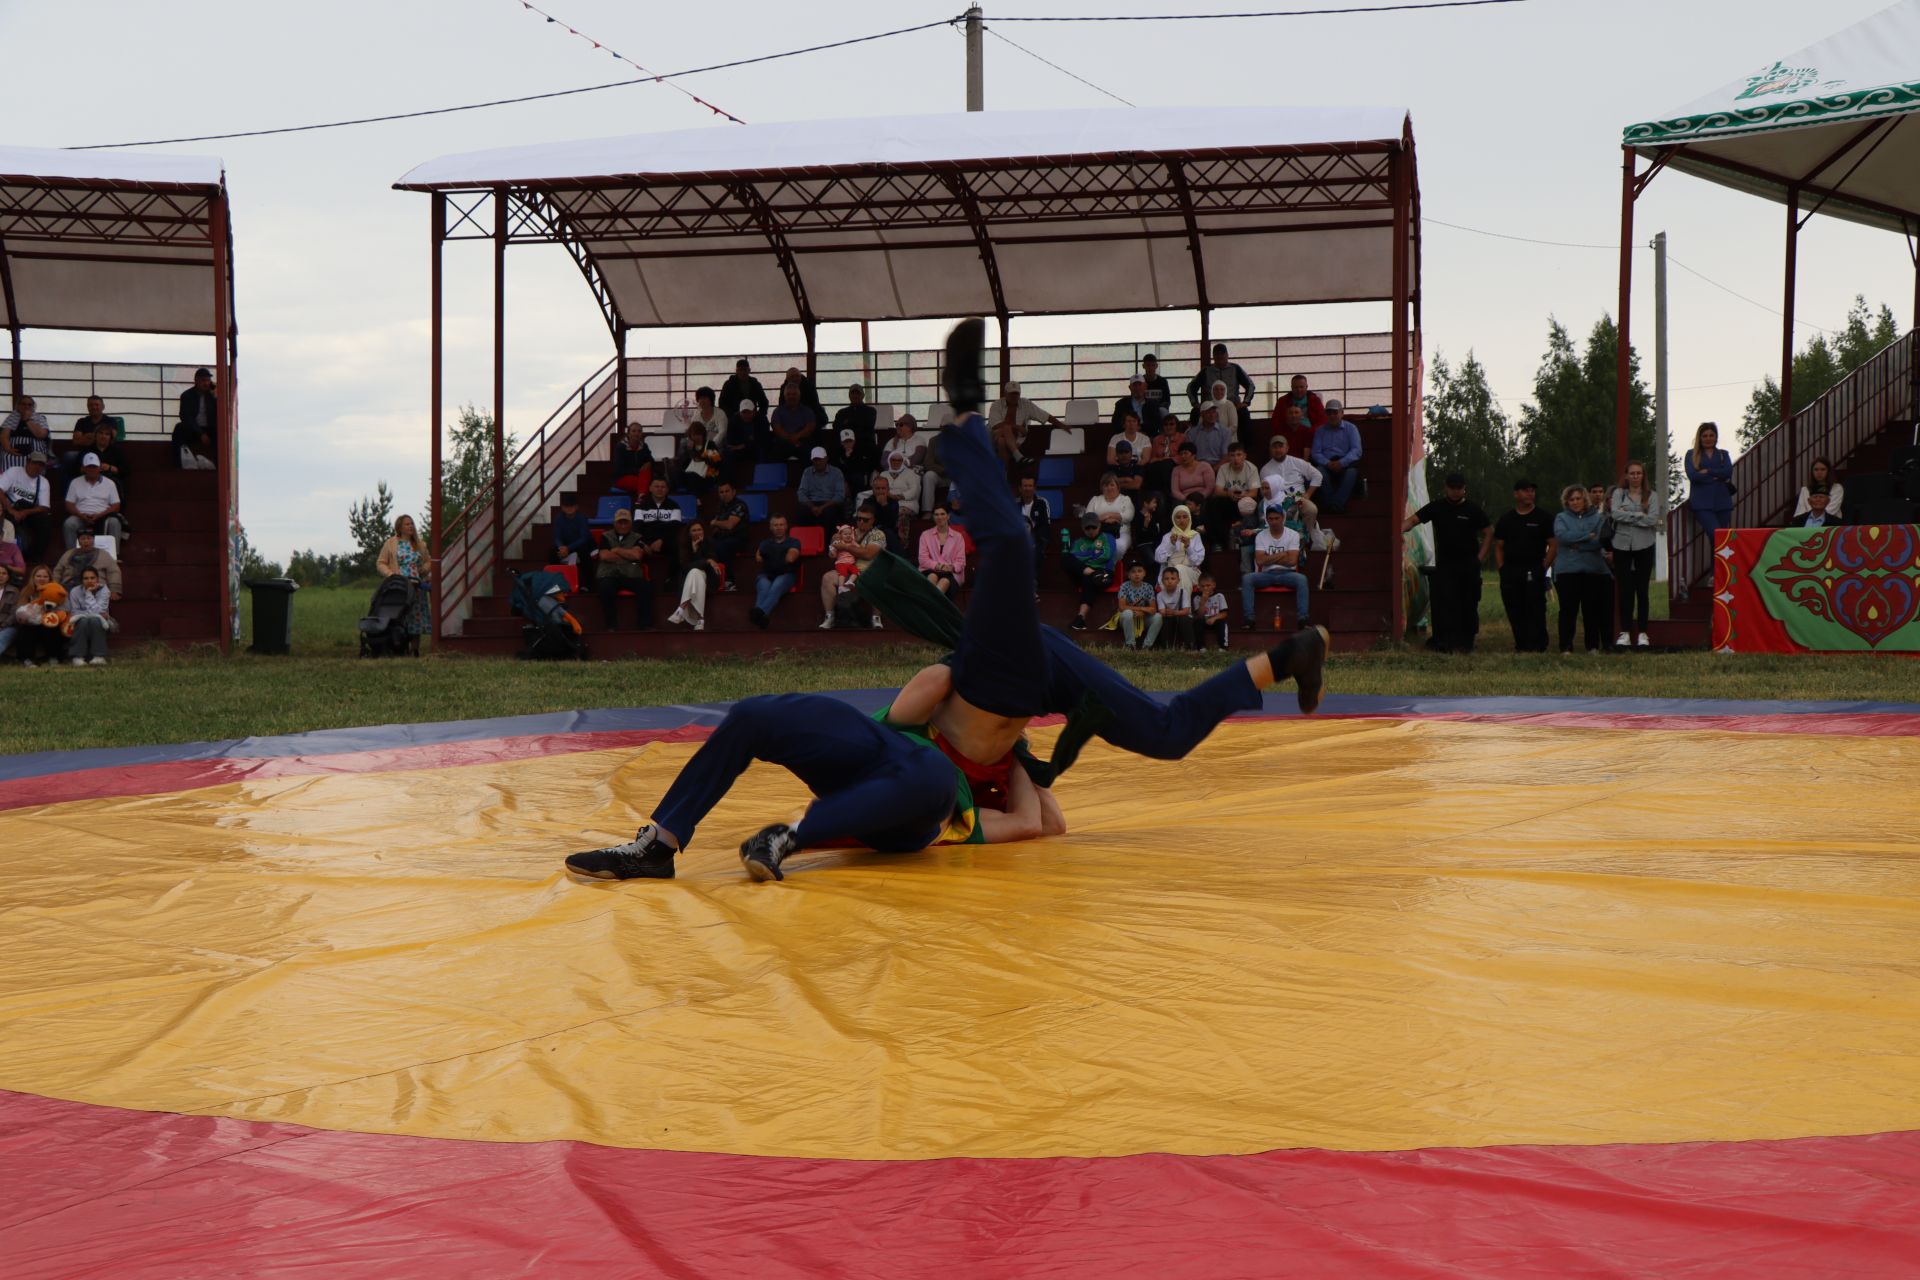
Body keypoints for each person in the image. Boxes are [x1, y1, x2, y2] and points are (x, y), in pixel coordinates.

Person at [1403, 472, 1491, 654]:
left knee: (1468, 603)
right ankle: (1444, 641)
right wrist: (1397, 530)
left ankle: (1467, 642)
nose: (1455, 492)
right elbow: (1413, 520)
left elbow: (1489, 531)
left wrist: (1479, 558)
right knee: (1445, 603)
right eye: (1452, 488)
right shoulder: (1437, 507)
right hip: (1446, 566)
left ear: (1464, 489)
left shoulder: (1473, 510)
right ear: (1446, 488)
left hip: (1468, 566)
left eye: (1459, 488)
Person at [1493, 479, 1554, 653]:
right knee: (1514, 607)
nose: (1530, 494)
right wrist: (1502, 569)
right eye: (1526, 491)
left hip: (1534, 568)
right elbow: (1498, 546)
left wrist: (1544, 567)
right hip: (1511, 570)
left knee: (1535, 607)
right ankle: (1521, 644)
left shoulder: (1544, 517)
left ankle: (1538, 644)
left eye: (1532, 491)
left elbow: (1554, 544)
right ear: (1516, 494)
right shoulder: (1506, 519)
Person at [1609, 460, 1663, 649]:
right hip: (1622, 545)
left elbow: (1652, 519)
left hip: (1644, 545)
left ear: (1643, 475)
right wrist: (1639, 515)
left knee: (1642, 590)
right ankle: (1624, 632)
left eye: (1638, 473)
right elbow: (1615, 514)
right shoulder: (1618, 493)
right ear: (1626, 475)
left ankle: (1642, 632)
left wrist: (1631, 516)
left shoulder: (1652, 496)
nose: (1635, 476)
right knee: (1625, 590)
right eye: (1632, 473)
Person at [1552, 485, 1612, 654]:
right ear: (1567, 502)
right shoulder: (1561, 517)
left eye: (1578, 498)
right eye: (1572, 499)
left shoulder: (1598, 518)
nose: (1575, 502)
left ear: (1584, 499)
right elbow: (1562, 536)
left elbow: (1599, 540)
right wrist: (1587, 536)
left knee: (1591, 609)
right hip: (1567, 571)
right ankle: (1565, 646)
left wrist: (1577, 545)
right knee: (1568, 610)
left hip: (1592, 570)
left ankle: (1592, 646)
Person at [820, 505, 889, 629]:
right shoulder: (847, 532)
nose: (861, 522)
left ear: (873, 520)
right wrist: (833, 543)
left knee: (880, 579)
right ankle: (829, 616)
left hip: (869, 572)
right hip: (847, 570)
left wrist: (845, 547)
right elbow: (833, 553)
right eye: (859, 518)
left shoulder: (878, 535)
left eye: (865, 520)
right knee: (827, 578)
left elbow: (868, 554)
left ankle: (876, 617)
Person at [1241, 505, 1310, 630]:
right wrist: (1283, 554)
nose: (1273, 522)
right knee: (1247, 579)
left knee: (1302, 580)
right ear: (1267, 519)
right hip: (1267, 574)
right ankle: (1249, 619)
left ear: (1282, 518)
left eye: (1276, 518)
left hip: (1288, 573)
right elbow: (1260, 561)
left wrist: (1270, 558)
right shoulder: (1261, 536)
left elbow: (1292, 560)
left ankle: (1303, 619)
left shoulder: (1293, 535)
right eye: (1270, 519)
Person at [375, 514, 433, 645]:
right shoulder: (390, 543)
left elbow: (429, 561)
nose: (411, 526)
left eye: (412, 523)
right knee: (401, 613)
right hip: (399, 586)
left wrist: (425, 568)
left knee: (416, 615)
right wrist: (390, 574)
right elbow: (380, 563)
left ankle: (415, 650)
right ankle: (399, 645)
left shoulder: (420, 544)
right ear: (400, 527)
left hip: (417, 586)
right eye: (407, 524)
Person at [1260, 432, 1324, 549]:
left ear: (1287, 447)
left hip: (1298, 498)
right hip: (1277, 502)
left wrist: (1308, 494)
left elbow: (1317, 475)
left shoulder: (1297, 462)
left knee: (1311, 509)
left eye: (1280, 446)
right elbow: (1264, 491)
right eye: (1274, 447)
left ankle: (1305, 536)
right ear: (1270, 449)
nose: (1278, 450)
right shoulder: (1265, 469)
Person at [593, 509, 653, 630]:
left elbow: (637, 556)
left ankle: (644, 625)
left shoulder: (637, 537)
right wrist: (627, 555)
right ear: (615, 523)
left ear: (631, 524)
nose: (623, 525)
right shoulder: (606, 536)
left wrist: (616, 550)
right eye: (620, 523)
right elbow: (604, 556)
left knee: (646, 587)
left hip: (631, 574)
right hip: (609, 574)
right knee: (605, 587)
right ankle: (612, 626)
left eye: (626, 523)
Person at [1064, 511, 1117, 631]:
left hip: (1104, 573)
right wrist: (1091, 558)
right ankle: (1080, 621)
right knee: (1065, 558)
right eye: (1087, 528)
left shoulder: (1107, 537)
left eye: (1094, 527)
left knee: (1089, 579)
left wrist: (1086, 559)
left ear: (1099, 526)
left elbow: (1106, 555)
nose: (1091, 530)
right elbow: (1073, 556)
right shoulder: (1079, 542)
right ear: (1083, 528)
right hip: (1085, 573)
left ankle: (1080, 618)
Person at [748, 514, 802, 629]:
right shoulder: (765, 543)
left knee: (776, 586)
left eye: (781, 524)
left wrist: (787, 555)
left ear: (786, 526)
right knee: (763, 587)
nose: (778, 527)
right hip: (767, 574)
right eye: (775, 525)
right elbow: (758, 557)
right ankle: (762, 618)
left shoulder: (794, 541)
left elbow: (792, 557)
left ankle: (758, 614)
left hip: (786, 574)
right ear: (770, 527)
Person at [1684, 422, 1734, 543]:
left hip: (1722, 502)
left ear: (1716, 437)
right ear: (1700, 438)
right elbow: (1693, 476)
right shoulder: (1691, 454)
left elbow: (1728, 472)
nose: (1708, 438)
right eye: (1705, 436)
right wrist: (1717, 475)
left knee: (1722, 541)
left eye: (1711, 435)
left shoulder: (1723, 454)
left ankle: (1717, 562)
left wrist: (1707, 471)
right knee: (1715, 534)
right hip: (1702, 504)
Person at [669, 522, 724, 632]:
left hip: (709, 579)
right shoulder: (684, 546)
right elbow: (686, 567)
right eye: (694, 530)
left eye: (699, 529)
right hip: (691, 581)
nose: (697, 532)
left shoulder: (710, 543)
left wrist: (703, 558)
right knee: (694, 572)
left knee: (696, 571)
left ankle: (681, 609)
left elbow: (709, 567)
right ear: (689, 533)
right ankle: (700, 619)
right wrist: (695, 551)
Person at [1309, 402, 1363, 514]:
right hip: (1326, 464)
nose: (1332, 415)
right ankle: (1334, 504)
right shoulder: (1320, 430)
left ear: (1342, 413)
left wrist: (1342, 462)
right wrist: (1328, 463)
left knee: (1352, 473)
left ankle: (1335, 505)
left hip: (1346, 464)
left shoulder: (1351, 428)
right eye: (1329, 413)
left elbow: (1356, 450)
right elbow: (1315, 452)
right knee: (1318, 472)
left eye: (1335, 412)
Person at [988, 382, 1061, 463]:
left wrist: (1062, 425)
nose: (1014, 396)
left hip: (1014, 440)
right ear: (1005, 393)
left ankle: (1004, 472)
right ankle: (1019, 457)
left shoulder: (1025, 404)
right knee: (1006, 428)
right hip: (994, 436)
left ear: (1020, 394)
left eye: (1016, 393)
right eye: (1011, 394)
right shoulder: (996, 404)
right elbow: (995, 425)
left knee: (1002, 442)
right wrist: (1018, 427)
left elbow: (1044, 415)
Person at [63, 453, 125, 548]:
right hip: (81, 516)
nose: (92, 469)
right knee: (69, 523)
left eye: (94, 467)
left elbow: (116, 505)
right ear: (83, 468)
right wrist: (81, 515)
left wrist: (99, 515)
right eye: (89, 467)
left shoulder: (110, 483)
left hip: (103, 516)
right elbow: (69, 504)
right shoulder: (75, 482)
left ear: (100, 468)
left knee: (115, 522)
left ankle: (114, 556)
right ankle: (71, 554)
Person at [1, 452, 55, 559]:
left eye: (40, 464)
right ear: (27, 462)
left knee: (45, 520)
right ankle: (7, 555)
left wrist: (24, 512)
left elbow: (44, 507)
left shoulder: (43, 482)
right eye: (34, 463)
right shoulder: (14, 471)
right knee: (7, 521)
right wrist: (10, 509)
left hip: (29, 511)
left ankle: (36, 556)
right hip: (10, 508)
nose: (37, 467)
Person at [1210, 442, 1261, 553]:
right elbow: (1218, 491)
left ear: (1244, 456)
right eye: (1232, 455)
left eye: (1239, 455)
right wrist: (1229, 494)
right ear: (1228, 457)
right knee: (1214, 503)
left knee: (1253, 502)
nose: (1235, 458)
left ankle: (1249, 540)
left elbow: (1254, 492)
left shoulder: (1251, 468)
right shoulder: (1223, 468)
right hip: (1229, 499)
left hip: (1245, 499)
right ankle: (1218, 542)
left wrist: (1243, 495)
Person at [9, 565, 65, 667]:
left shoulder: (56, 590)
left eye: (45, 576)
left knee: (53, 628)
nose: (42, 579)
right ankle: (26, 659)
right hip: (31, 624)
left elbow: (64, 609)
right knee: (24, 629)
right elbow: (19, 610)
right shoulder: (26, 591)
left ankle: (53, 657)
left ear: (50, 578)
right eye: (38, 576)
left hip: (48, 622)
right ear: (33, 578)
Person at [833, 384, 881, 491]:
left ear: (862, 395)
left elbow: (867, 427)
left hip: (862, 444)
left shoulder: (870, 411)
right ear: (849, 396)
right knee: (833, 450)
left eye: (857, 393)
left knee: (873, 451)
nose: (855, 395)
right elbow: (836, 428)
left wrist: (848, 425)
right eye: (852, 393)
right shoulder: (841, 412)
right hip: (844, 444)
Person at [65, 565, 113, 666]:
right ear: (81, 580)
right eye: (86, 578)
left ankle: (99, 656)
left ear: (97, 579)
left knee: (95, 620)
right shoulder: (75, 591)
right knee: (83, 621)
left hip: (101, 622)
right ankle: (78, 657)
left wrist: (88, 593)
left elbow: (99, 611)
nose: (89, 581)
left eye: (92, 578)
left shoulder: (104, 590)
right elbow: (75, 612)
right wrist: (89, 614)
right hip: (81, 621)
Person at [1155, 503, 1206, 596]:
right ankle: (1185, 608)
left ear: (1189, 518)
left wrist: (1188, 547)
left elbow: (1198, 561)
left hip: (1192, 572)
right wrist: (1171, 545)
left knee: (1180, 569)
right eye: (1178, 517)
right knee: (1176, 572)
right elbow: (1159, 558)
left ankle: (1182, 607)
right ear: (1173, 520)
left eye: (1185, 517)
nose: (1182, 520)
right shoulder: (1168, 537)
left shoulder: (1195, 536)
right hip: (1169, 574)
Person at [1186, 343, 1254, 412]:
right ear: (1213, 356)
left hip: (1233, 406)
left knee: (1244, 411)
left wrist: (1245, 402)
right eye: (1217, 354)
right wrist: (1195, 403)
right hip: (1211, 407)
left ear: (1227, 355)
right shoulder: (1206, 370)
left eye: (1222, 354)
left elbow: (1250, 385)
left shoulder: (1235, 368)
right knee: (1195, 412)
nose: (1220, 356)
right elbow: (1190, 387)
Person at [918, 504, 967, 597]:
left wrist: (951, 567)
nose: (939, 517)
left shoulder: (958, 537)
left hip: (951, 573)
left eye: (942, 514)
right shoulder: (925, 535)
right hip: (930, 570)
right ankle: (933, 607)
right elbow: (923, 559)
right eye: (936, 514)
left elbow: (961, 562)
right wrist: (938, 566)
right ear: (933, 517)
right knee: (932, 576)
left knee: (944, 581)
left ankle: (929, 606)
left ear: (948, 516)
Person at [1168, 443, 1215, 541]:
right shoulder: (1176, 470)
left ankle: (1211, 537)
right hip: (1185, 498)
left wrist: (1198, 499)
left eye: (1186, 453)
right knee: (1177, 505)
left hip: (1202, 496)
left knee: (1210, 504)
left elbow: (1210, 487)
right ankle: (1181, 535)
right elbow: (1175, 490)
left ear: (1194, 455)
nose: (1183, 456)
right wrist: (1187, 500)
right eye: (1181, 454)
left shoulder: (1204, 466)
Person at [1084, 472, 1135, 559]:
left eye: (1112, 485)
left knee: (1118, 547)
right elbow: (1088, 519)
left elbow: (1128, 516)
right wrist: (1103, 519)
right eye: (1106, 485)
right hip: (1099, 534)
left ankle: (1111, 569)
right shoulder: (1095, 500)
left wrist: (1108, 515)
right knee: (1095, 547)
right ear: (1102, 488)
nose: (1109, 488)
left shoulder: (1125, 499)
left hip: (1121, 533)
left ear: (1118, 487)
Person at [766, 380, 820, 461]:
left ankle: (808, 474)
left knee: (812, 455)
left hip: (802, 441)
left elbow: (810, 427)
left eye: (794, 394)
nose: (791, 397)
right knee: (773, 456)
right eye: (788, 394)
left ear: (799, 395)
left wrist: (797, 437)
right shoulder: (778, 411)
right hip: (783, 442)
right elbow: (777, 429)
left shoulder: (807, 411)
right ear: (785, 396)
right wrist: (790, 439)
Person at [795, 446, 848, 530]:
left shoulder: (836, 472)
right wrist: (812, 507)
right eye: (815, 460)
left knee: (830, 513)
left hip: (829, 503)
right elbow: (801, 493)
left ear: (826, 458)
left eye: (820, 459)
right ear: (812, 460)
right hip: (812, 503)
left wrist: (822, 507)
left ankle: (828, 541)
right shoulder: (807, 472)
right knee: (802, 512)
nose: (818, 462)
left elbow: (840, 495)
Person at [174, 369, 218, 469]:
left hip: (210, 429)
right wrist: (200, 433)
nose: (206, 383)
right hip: (194, 429)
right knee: (179, 429)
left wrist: (217, 396)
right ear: (196, 381)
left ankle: (218, 465)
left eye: (208, 380)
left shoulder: (213, 396)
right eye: (203, 380)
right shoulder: (187, 396)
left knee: (220, 432)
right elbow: (185, 416)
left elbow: (220, 414)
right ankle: (180, 464)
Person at [706, 479, 750, 576]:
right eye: (721, 492)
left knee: (720, 546)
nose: (724, 494)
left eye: (727, 491)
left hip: (738, 539)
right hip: (723, 538)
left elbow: (729, 525)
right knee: (705, 544)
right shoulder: (721, 506)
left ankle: (729, 579)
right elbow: (715, 526)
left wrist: (715, 522)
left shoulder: (740, 505)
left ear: (733, 492)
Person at [1113, 561, 1157, 650]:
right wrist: (1142, 608)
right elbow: (1122, 607)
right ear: (1128, 575)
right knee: (1128, 613)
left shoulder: (1148, 587)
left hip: (1142, 617)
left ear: (1144, 573)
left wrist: (1143, 613)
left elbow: (1153, 609)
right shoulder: (1124, 586)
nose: (1137, 574)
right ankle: (1130, 645)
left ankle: (1147, 646)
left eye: (1140, 571)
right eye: (1133, 571)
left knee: (1158, 617)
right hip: (1127, 618)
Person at [719, 360, 768, 436]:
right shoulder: (729, 384)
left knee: (763, 422)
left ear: (749, 370)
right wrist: (733, 414)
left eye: (744, 370)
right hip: (735, 418)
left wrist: (759, 414)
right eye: (740, 370)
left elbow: (764, 402)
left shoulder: (755, 383)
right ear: (736, 371)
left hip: (753, 417)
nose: (742, 372)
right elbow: (722, 403)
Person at [550, 492, 593, 578]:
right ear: (562, 507)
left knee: (585, 554)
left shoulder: (582, 518)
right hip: (566, 546)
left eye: (571, 506)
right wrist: (561, 547)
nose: (569, 508)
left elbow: (584, 538)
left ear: (576, 507)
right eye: (566, 506)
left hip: (580, 545)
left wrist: (568, 548)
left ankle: (587, 585)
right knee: (552, 553)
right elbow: (557, 537)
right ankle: (555, 580)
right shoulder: (558, 518)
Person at [672, 421, 722, 494]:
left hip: (707, 476)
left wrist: (699, 455)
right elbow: (682, 464)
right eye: (694, 435)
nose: (696, 437)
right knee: (677, 474)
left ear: (703, 434)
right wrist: (688, 450)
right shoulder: (687, 446)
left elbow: (716, 463)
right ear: (690, 436)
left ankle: (697, 500)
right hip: (689, 475)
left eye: (699, 434)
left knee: (692, 477)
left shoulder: (710, 445)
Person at [1153, 566, 1195, 651]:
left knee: (1185, 619)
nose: (1169, 581)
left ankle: (1190, 646)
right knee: (1163, 621)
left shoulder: (1183, 592)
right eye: (1166, 579)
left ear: (1178, 581)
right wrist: (1171, 613)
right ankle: (1165, 646)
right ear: (1162, 581)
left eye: (1173, 578)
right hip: (1168, 617)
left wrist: (1173, 612)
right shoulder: (1160, 595)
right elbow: (1162, 612)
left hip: (1180, 616)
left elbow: (1186, 611)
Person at [3, 393, 50, 468]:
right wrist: (8, 449)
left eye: (29, 405)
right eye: (23, 404)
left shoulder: (39, 417)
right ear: (18, 406)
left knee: (35, 460)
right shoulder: (12, 417)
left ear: (33, 406)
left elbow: (41, 434)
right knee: (6, 457)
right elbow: (4, 436)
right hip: (14, 449)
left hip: (35, 449)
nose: (26, 406)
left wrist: (27, 419)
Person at [1017, 475, 1051, 574]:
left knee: (1036, 551)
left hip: (1036, 539)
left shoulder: (1042, 502)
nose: (1027, 488)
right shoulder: (1013, 503)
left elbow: (1046, 525)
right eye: (1025, 486)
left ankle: (1032, 581)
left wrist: (1034, 539)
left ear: (1035, 488)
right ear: (1020, 488)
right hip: (1018, 539)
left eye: (1030, 485)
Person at [612, 422, 654, 496]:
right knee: (647, 484)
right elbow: (619, 469)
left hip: (641, 476)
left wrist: (649, 463)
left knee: (646, 474)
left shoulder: (644, 446)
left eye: (639, 431)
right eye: (633, 431)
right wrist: (638, 471)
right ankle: (642, 500)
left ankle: (641, 499)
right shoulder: (621, 447)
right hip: (623, 478)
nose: (637, 433)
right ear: (628, 433)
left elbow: (650, 460)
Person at [1186, 401, 1232, 467]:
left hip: (1218, 467)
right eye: (1208, 412)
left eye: (1213, 412)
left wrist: (1214, 469)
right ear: (1202, 414)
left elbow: (1226, 456)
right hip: (1197, 466)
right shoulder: (1192, 432)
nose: (1212, 415)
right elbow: (1189, 454)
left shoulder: (1225, 431)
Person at [1194, 574, 1229, 651]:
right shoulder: (1197, 598)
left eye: (1208, 585)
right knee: (1197, 622)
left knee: (1222, 622)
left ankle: (1223, 646)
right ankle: (1201, 647)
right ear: (1199, 587)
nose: (1205, 588)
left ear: (1214, 585)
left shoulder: (1219, 596)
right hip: (1203, 619)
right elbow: (1199, 615)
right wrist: (1202, 602)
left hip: (1216, 619)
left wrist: (1214, 618)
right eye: (1202, 586)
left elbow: (1224, 613)